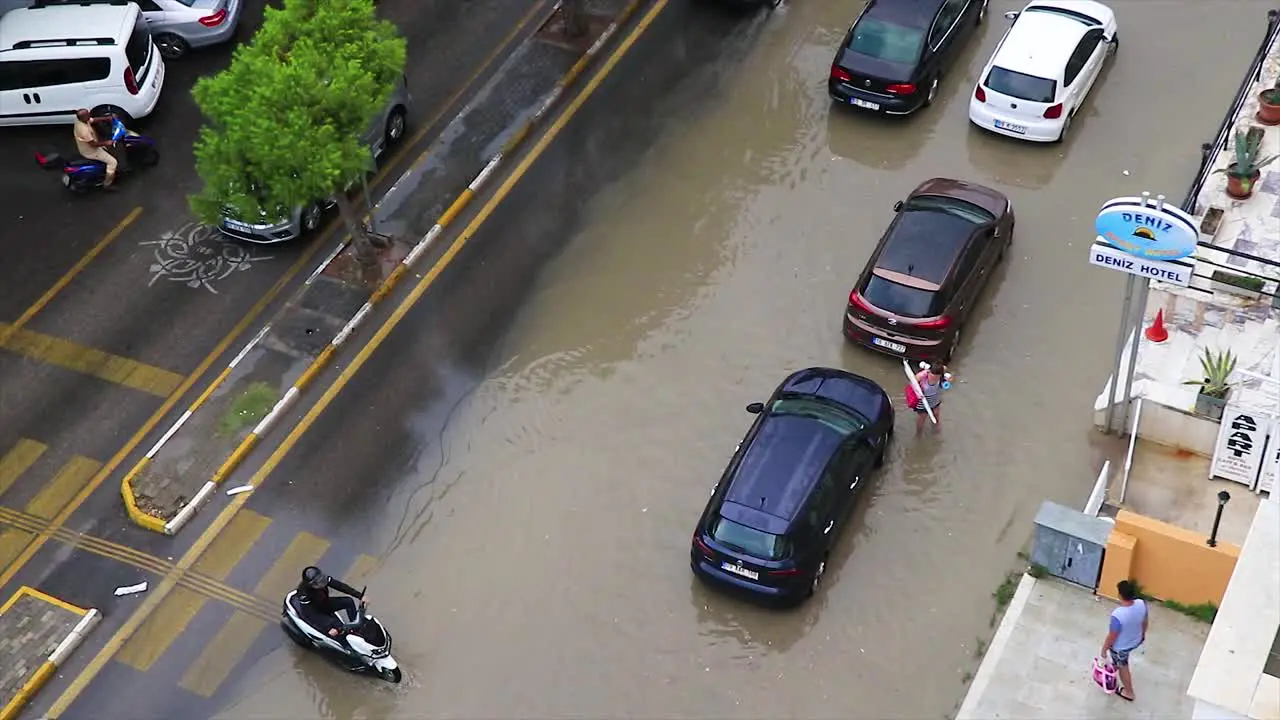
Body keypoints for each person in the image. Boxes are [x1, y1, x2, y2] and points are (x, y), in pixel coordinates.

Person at [1101, 579, 1148, 702]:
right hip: (1135, 640)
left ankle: (1129, 692)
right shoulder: (1141, 604)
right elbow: (1144, 621)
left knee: (1123, 666)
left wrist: (1104, 650)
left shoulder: (1118, 615)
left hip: (1121, 647)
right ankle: (1115, 666)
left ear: (1120, 595)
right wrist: (1142, 635)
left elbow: (1112, 636)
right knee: (1119, 662)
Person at [297, 566, 367, 638]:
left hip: (324, 603)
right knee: (337, 626)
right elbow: (310, 614)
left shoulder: (322, 579)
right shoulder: (304, 594)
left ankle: (356, 628)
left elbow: (340, 586)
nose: (321, 584)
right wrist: (328, 625)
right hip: (315, 612)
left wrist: (360, 596)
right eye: (318, 583)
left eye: (321, 580)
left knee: (348, 601)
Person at [73, 108, 118, 189]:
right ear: (83, 117)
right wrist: (107, 142)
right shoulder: (84, 130)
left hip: (88, 146)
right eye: (87, 114)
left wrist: (107, 118)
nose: (89, 115)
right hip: (91, 151)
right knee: (113, 162)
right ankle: (107, 184)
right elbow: (93, 144)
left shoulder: (81, 121)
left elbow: (93, 120)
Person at [912, 363, 946, 434]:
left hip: (935, 400)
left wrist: (949, 379)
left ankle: (936, 428)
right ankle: (918, 434)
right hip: (923, 403)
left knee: (936, 414)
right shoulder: (921, 377)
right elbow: (912, 384)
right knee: (922, 419)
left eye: (936, 377)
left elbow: (947, 372)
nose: (933, 378)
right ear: (929, 372)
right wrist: (918, 391)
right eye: (931, 375)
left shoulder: (942, 377)